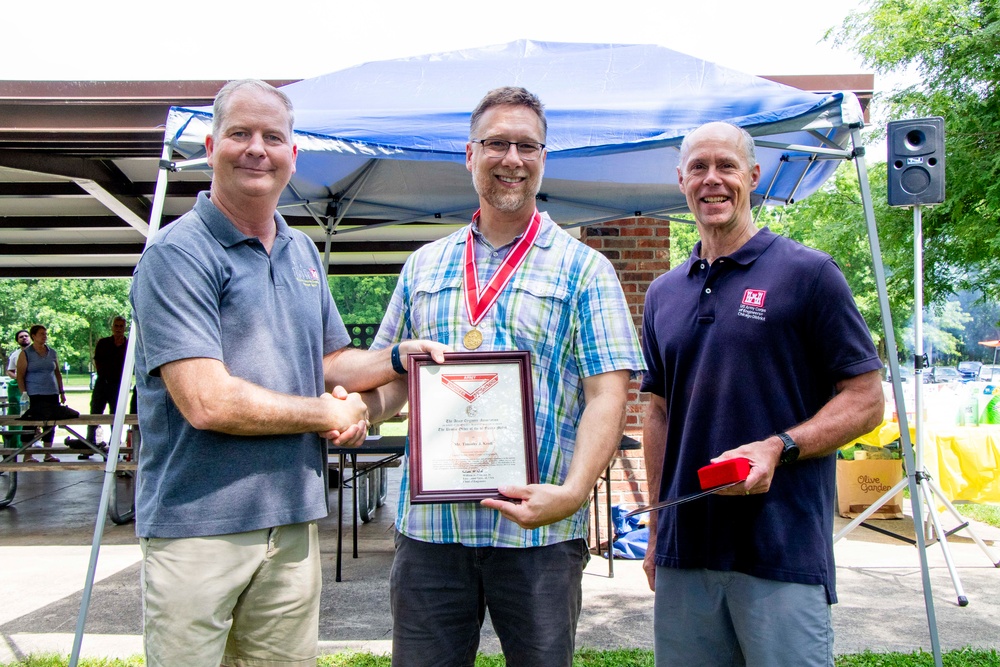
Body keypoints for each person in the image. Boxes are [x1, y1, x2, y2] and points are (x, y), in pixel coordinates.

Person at [129, 79, 444, 667]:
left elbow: (327, 364)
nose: (257, 149)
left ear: (292, 155)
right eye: (240, 133)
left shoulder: (301, 252)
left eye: (273, 137)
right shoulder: (178, 254)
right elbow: (207, 400)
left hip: (293, 525)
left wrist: (400, 358)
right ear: (210, 144)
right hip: (199, 529)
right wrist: (330, 413)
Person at [367, 86, 645, 667]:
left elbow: (607, 395)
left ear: (543, 158)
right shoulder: (424, 266)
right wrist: (357, 412)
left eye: (527, 146)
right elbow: (391, 376)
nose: (512, 159)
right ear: (469, 154)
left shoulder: (585, 269)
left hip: (538, 532)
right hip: (431, 532)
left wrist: (571, 497)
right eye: (497, 143)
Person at [640, 121, 885, 667]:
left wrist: (779, 446)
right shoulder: (662, 294)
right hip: (687, 552)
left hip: (781, 550)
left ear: (753, 176)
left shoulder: (809, 274)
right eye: (699, 168)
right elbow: (657, 414)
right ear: (681, 180)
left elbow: (867, 398)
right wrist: (659, 530)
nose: (712, 180)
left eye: (726, 166)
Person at [16, 324, 67, 462]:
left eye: (45, 334)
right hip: (34, 394)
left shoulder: (52, 352)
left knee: (50, 423)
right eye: (41, 334)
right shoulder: (26, 353)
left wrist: (61, 392)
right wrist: (24, 393)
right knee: (30, 423)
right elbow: (20, 375)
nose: (44, 336)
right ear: (33, 336)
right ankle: (27, 455)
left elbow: (57, 373)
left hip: (51, 392)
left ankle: (48, 453)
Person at [83, 316, 130, 458]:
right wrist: (103, 376)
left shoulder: (128, 345)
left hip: (118, 385)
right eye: (116, 325)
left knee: (116, 415)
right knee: (95, 413)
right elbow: (97, 361)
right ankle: (89, 446)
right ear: (112, 327)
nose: (118, 329)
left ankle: (114, 448)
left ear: (125, 328)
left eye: (121, 326)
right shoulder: (103, 343)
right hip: (102, 383)